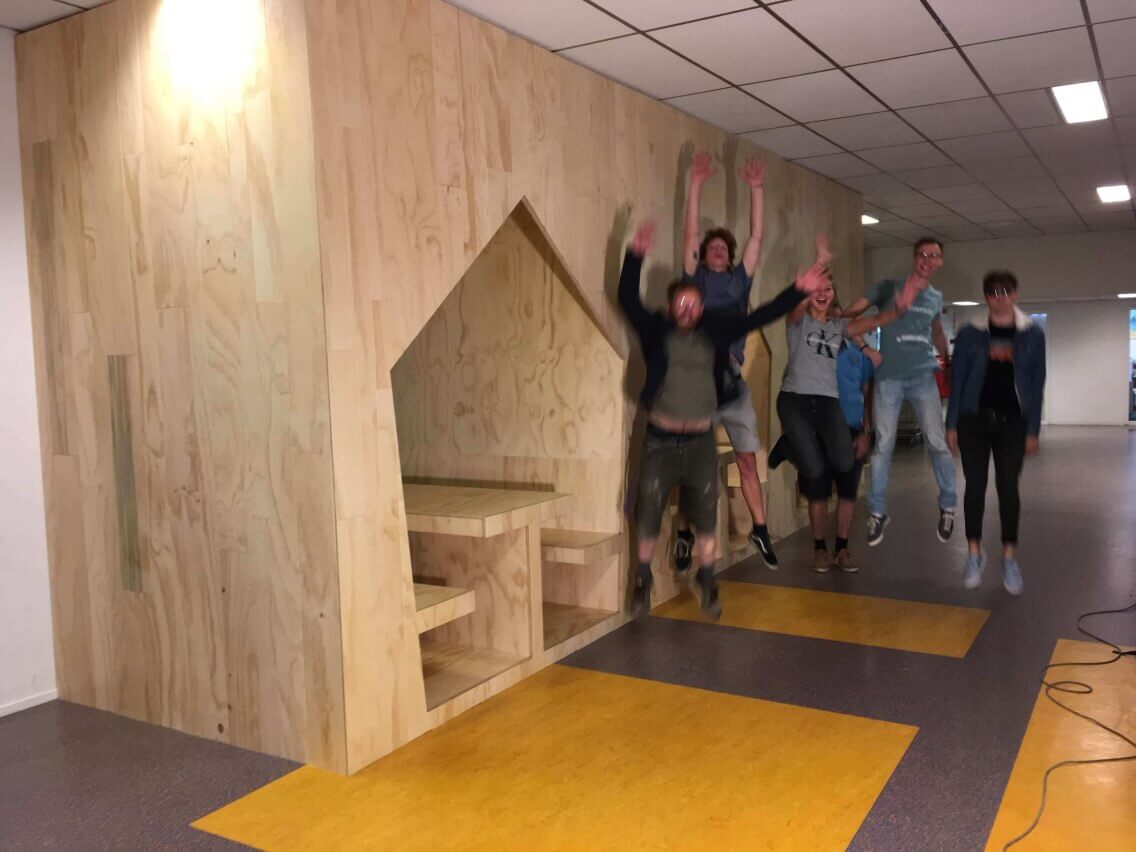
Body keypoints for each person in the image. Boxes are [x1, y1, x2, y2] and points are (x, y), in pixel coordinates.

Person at [618, 220, 827, 619]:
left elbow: (760, 315)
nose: (688, 310)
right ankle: (642, 577)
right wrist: (635, 255)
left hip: (699, 440)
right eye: (681, 304)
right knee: (648, 508)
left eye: (694, 305)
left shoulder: (715, 329)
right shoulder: (655, 328)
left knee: (705, 509)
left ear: (702, 309)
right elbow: (627, 298)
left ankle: (707, 577)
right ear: (670, 307)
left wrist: (798, 289)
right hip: (660, 439)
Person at [675, 151, 778, 571]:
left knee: (748, 459)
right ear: (704, 255)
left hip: (732, 382)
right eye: (712, 247)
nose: (717, 249)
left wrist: (756, 188)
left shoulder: (739, 281)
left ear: (729, 256)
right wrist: (695, 182)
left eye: (723, 248)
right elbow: (688, 232)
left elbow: (757, 238)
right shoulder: (695, 278)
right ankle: (684, 535)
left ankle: (760, 528)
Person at [777, 252, 912, 573]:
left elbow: (871, 323)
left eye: (828, 289)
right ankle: (819, 548)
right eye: (817, 289)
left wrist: (898, 310)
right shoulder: (799, 323)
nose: (823, 294)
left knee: (845, 478)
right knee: (816, 482)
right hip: (803, 410)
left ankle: (841, 548)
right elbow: (795, 309)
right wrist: (807, 282)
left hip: (836, 415)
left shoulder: (841, 330)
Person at [843, 237, 957, 547]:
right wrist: (856, 338)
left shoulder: (935, 297)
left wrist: (947, 357)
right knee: (883, 447)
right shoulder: (887, 287)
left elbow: (936, 329)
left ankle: (948, 506)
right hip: (889, 378)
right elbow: (853, 312)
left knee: (937, 442)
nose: (927, 259)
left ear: (939, 262)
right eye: (922, 254)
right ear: (914, 258)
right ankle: (878, 512)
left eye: (933, 255)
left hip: (922, 376)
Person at [946, 270, 1046, 596]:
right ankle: (974, 553)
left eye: (1005, 291)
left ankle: (1009, 557)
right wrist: (951, 424)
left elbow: (1037, 383)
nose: (999, 297)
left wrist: (1033, 429)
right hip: (973, 420)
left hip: (1014, 421)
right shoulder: (970, 333)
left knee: (1008, 487)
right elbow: (958, 380)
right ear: (986, 296)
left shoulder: (1032, 334)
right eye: (992, 292)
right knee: (974, 487)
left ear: (1015, 294)